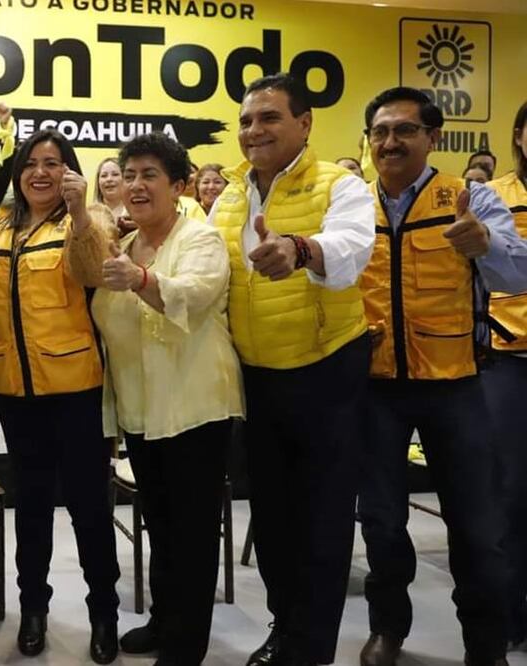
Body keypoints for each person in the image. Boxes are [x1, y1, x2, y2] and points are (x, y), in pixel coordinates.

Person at [209, 72, 375, 666]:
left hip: (325, 370)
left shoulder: (341, 186)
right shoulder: (228, 196)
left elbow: (354, 249)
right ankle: (286, 628)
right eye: (247, 121)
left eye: (270, 118)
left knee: (323, 519)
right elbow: (209, 273)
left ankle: (312, 649)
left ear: (305, 124)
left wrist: (300, 249)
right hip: (256, 376)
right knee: (273, 519)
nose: (255, 131)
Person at [358, 86, 527, 666]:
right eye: (380, 131)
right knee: (381, 522)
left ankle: (485, 644)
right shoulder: (353, 204)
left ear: (433, 138)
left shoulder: (471, 198)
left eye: (405, 130)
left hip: (455, 383)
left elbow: (520, 273)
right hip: (376, 386)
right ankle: (388, 628)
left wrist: (487, 246)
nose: (390, 142)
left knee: (476, 526)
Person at [69, 132, 244, 665]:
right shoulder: (121, 245)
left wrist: (143, 278)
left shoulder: (200, 239)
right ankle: (166, 620)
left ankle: (185, 645)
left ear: (179, 186)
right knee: (162, 525)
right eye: (130, 175)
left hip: (195, 408)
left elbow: (193, 292)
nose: (138, 185)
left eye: (151, 175)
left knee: (192, 533)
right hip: (142, 411)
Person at [0, 128, 121, 664]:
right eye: (31, 163)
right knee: (31, 507)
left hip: (75, 389)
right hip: (14, 390)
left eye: (53, 163)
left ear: (70, 170)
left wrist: (81, 213)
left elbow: (91, 273)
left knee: (88, 508)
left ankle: (102, 612)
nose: (41, 172)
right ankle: (33, 608)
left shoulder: (89, 221)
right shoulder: (0, 225)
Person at [482, 99, 527, 650]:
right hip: (506, 358)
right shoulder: (493, 196)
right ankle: (509, 612)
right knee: (510, 493)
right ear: (519, 135)